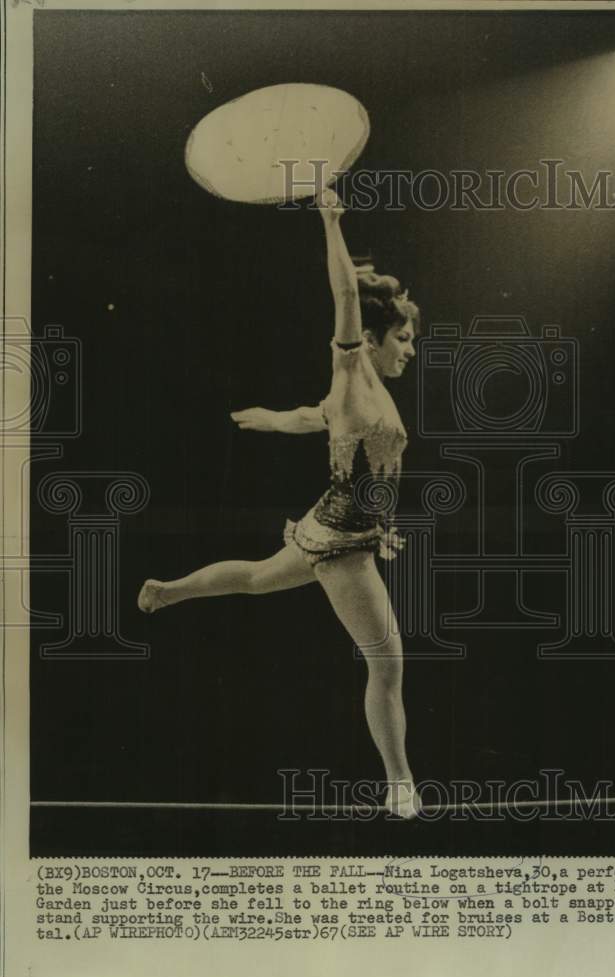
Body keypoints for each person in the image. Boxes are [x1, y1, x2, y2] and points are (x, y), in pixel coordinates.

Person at [138, 190, 422, 818]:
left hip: (334, 525)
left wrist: (270, 420)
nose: (409, 349)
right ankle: (399, 781)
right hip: (344, 547)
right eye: (402, 338)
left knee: (259, 578)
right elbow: (346, 297)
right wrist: (329, 220)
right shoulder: (351, 372)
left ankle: (169, 590)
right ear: (369, 339)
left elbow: (312, 417)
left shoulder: (361, 393)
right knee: (388, 667)